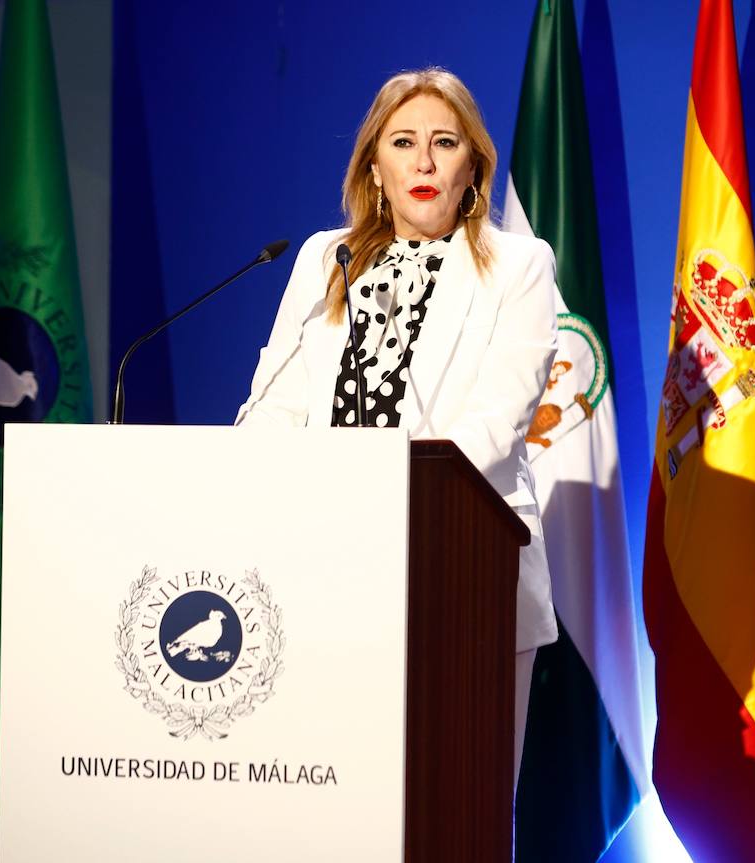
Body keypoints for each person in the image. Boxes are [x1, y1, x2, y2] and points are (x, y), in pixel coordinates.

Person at [235, 67, 558, 784]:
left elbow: (495, 426)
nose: (422, 161)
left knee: (454, 806)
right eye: (403, 141)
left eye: (444, 143)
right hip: (321, 569)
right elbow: (278, 405)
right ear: (373, 164)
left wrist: (387, 512)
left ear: (472, 162)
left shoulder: (520, 266)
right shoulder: (329, 257)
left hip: (463, 569)